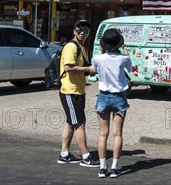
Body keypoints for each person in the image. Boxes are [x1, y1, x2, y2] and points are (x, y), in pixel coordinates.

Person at [57, 19, 99, 167]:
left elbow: (82, 67)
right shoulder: (71, 46)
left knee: (70, 122)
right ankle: (86, 156)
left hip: (77, 90)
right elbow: (68, 67)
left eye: (85, 31)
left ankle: (64, 154)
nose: (82, 33)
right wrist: (88, 70)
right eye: (79, 30)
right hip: (70, 91)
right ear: (74, 31)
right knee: (79, 124)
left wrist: (89, 71)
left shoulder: (82, 47)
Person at [92, 28, 133, 178]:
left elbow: (95, 71)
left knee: (103, 134)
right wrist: (125, 50)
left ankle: (103, 168)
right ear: (118, 44)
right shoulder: (123, 59)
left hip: (103, 96)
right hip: (119, 96)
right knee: (117, 134)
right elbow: (131, 68)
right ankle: (115, 167)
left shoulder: (98, 58)